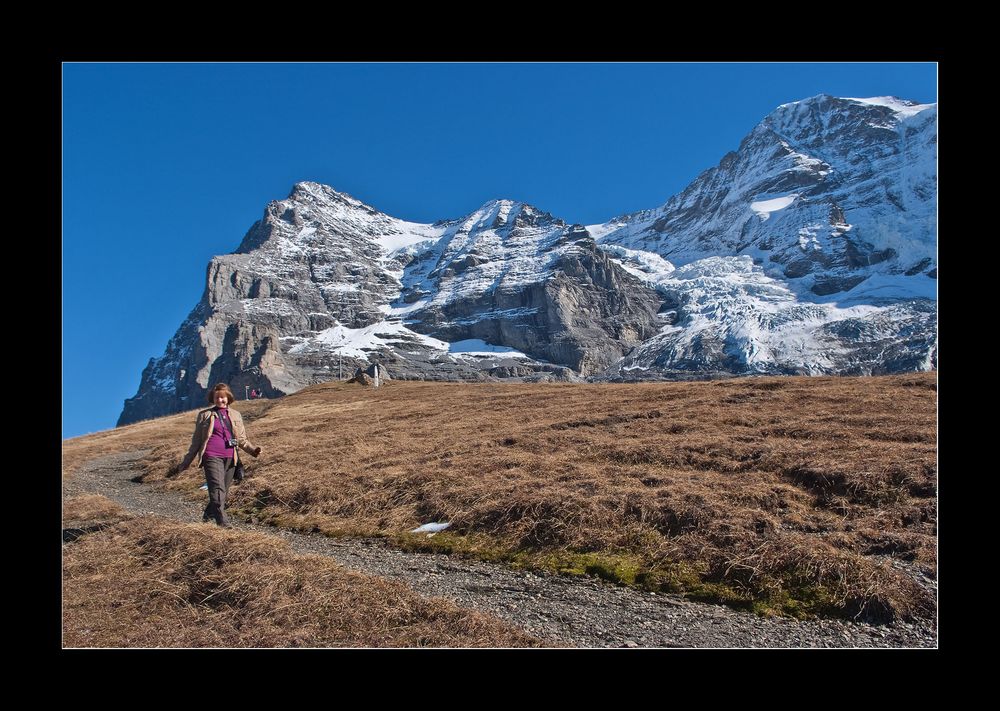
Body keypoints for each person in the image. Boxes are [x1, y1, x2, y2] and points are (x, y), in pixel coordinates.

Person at [178, 383, 262, 527]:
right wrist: (186, 462)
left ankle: (208, 515)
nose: (220, 400)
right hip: (211, 455)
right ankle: (223, 523)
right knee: (217, 488)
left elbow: (241, 439)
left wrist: (253, 450)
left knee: (223, 490)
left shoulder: (236, 415)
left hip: (231, 457)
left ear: (228, 398)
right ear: (213, 399)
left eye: (222, 397)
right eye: (217, 397)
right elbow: (196, 441)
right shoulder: (204, 415)